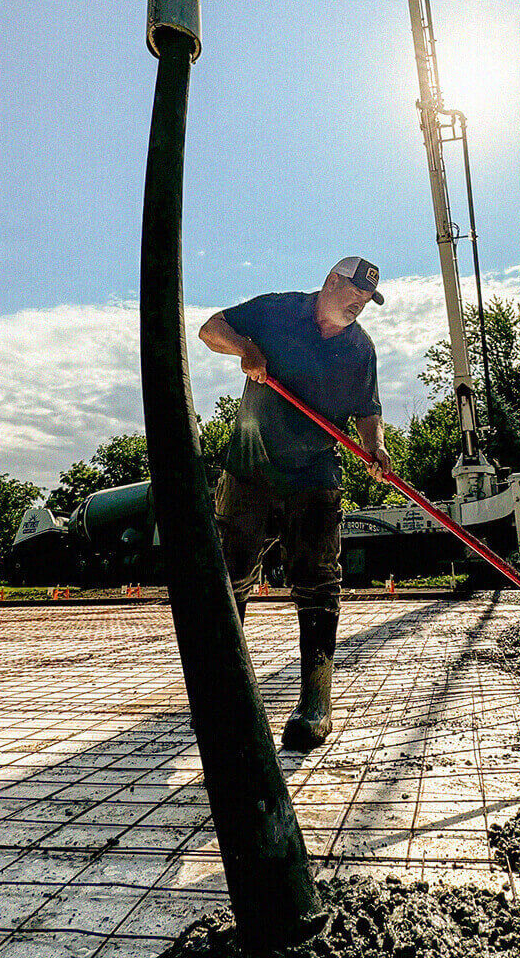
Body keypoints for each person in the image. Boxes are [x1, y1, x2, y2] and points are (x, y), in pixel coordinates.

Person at [198, 256, 392, 751]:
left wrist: (375, 444)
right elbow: (209, 328)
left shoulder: (359, 349)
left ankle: (315, 702)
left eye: (366, 301)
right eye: (353, 294)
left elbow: (368, 410)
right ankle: (223, 696)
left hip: (314, 472)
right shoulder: (277, 311)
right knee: (231, 574)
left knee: (318, 579)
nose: (358, 305)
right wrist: (245, 349)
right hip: (250, 465)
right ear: (330, 282)